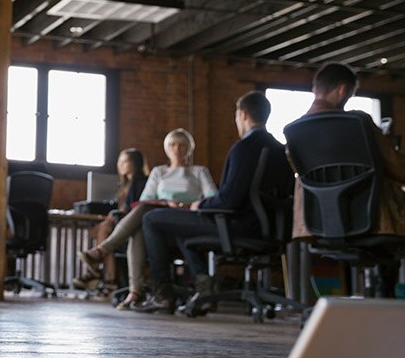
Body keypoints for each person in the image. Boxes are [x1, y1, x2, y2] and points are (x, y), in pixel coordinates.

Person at [133, 91, 293, 313]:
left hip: (236, 225)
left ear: (243, 114)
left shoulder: (244, 148)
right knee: (179, 224)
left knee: (151, 219)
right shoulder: (279, 148)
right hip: (268, 227)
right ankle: (204, 287)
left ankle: (162, 295)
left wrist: (200, 205)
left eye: (237, 116)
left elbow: (229, 200)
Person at [77, 129, 217, 309]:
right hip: (158, 222)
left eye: (182, 145)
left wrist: (189, 205)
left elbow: (212, 196)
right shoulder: (159, 172)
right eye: (173, 144)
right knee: (142, 219)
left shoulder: (199, 171)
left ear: (189, 148)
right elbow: (145, 199)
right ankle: (134, 290)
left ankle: (106, 255)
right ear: (167, 148)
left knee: (142, 221)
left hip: (185, 220)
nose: (177, 148)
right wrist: (167, 204)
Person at [292, 63, 405, 239]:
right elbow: (398, 168)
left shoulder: (295, 131)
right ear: (343, 90)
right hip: (373, 221)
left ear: (316, 88)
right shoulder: (358, 123)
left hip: (317, 223)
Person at [73, 149, 147, 291]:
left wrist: (116, 214)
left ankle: (102, 276)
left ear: (136, 164)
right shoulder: (124, 186)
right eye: (120, 161)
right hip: (121, 226)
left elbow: (135, 210)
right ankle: (100, 275)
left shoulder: (140, 183)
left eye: (125, 161)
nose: (121, 164)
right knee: (99, 230)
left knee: (104, 229)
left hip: (133, 228)